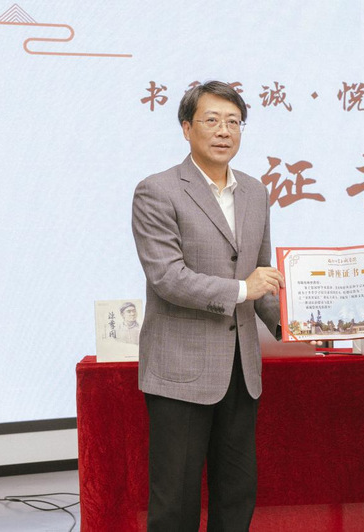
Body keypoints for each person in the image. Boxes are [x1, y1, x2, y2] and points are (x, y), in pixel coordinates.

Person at [131, 81, 284, 531]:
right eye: (212, 120)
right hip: (181, 371)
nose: (224, 131)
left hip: (241, 370)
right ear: (186, 128)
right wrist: (241, 290)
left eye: (233, 122)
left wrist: (299, 326)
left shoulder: (254, 191)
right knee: (175, 502)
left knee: (236, 494)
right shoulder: (157, 190)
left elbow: (261, 274)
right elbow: (167, 277)